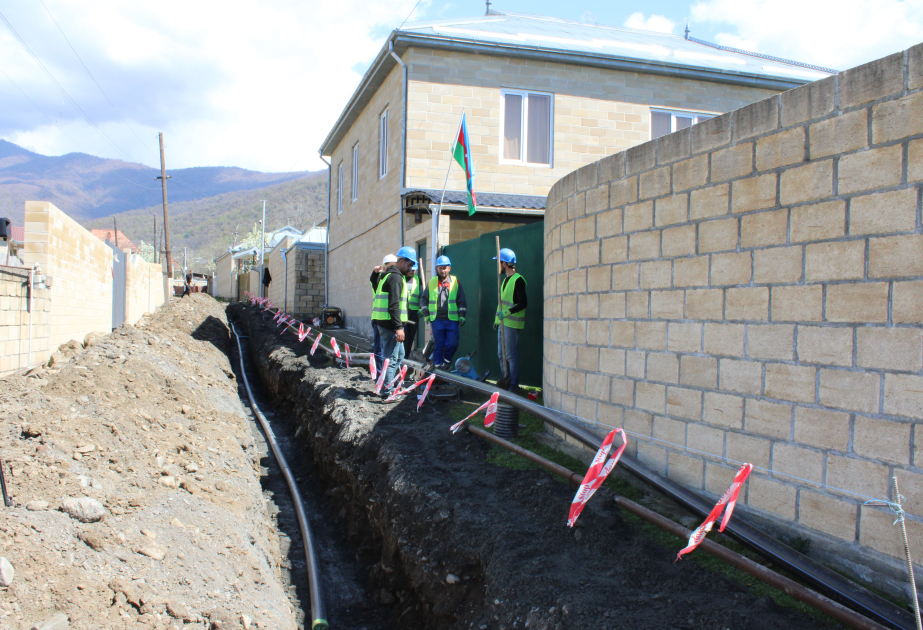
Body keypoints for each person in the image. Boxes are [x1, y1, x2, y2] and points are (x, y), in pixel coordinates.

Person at [371, 246, 416, 399]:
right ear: (401, 262)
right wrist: (398, 328)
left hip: (384, 323)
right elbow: (394, 305)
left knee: (399, 355)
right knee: (391, 358)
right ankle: (387, 391)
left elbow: (374, 282)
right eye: (409, 265)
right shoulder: (395, 277)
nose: (411, 268)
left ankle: (387, 383)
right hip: (390, 325)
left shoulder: (387, 275)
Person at [419, 255, 467, 370]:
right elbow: (424, 300)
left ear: (449, 268)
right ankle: (437, 368)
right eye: (440, 268)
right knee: (438, 345)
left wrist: (462, 316)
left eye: (445, 268)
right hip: (437, 319)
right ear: (437, 269)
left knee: (452, 344)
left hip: (452, 320)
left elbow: (461, 301)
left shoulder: (456, 282)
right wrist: (426, 315)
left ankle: (446, 362)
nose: (443, 270)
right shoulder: (432, 283)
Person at [493, 248, 526, 389]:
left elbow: (523, 303)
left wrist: (506, 313)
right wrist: (496, 320)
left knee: (510, 356)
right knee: (501, 355)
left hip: (511, 324)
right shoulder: (505, 280)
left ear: (504, 264)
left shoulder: (518, 280)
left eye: (498, 262)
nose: (498, 266)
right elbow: (502, 303)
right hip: (502, 324)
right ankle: (506, 381)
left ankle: (513, 385)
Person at [370, 254, 398, 372]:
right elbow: (373, 280)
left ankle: (383, 374)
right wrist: (376, 273)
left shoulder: (391, 278)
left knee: (386, 350)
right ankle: (380, 373)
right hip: (379, 319)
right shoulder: (381, 279)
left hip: (385, 319)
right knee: (381, 349)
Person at [403, 262, 421, 357]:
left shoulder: (418, 280)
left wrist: (421, 308)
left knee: (410, 337)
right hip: (403, 311)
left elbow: (422, 295)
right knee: (403, 336)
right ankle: (400, 358)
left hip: (414, 312)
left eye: (413, 270)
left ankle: (406, 357)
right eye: (410, 270)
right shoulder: (401, 278)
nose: (411, 271)